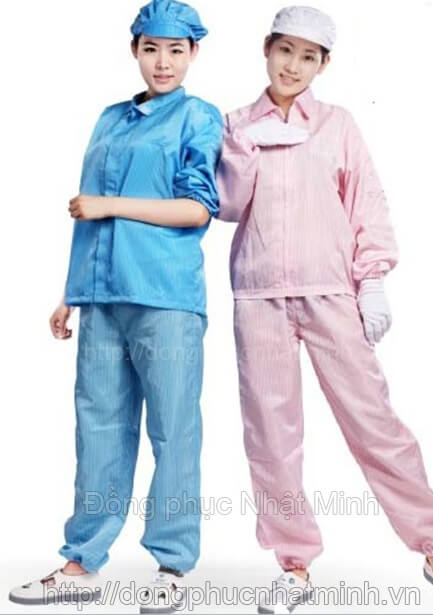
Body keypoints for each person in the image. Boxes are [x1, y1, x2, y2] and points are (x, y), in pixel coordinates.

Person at [216, 5, 433, 613]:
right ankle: (294, 565)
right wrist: (244, 148)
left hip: (330, 292)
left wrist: (371, 281)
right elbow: (227, 207)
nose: (293, 66)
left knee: (373, 422)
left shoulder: (338, 125)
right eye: (285, 51)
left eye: (308, 57)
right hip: (259, 296)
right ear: (266, 49)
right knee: (271, 436)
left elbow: (366, 202)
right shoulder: (235, 123)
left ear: (323, 64)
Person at [9, 0, 222, 611]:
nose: (163, 62)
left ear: (193, 54)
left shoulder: (199, 117)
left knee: (173, 430)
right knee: (98, 429)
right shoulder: (109, 118)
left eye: (176, 50)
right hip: (102, 295)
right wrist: (70, 292)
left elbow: (197, 209)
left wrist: (111, 206)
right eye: (151, 49)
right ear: (134, 50)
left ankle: (173, 564)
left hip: (165, 295)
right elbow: (88, 213)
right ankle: (82, 561)